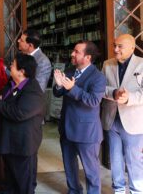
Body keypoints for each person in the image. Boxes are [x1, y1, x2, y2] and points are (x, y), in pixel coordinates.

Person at [0, 53, 45, 194]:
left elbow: (18, 113)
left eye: (13, 65)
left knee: (24, 182)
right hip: (9, 141)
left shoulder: (33, 91)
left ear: (22, 72)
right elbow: (3, 104)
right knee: (10, 177)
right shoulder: (12, 84)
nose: (10, 66)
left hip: (22, 145)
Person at [53, 41, 106, 194]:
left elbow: (93, 101)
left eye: (76, 52)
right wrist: (58, 86)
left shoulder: (98, 77)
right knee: (69, 167)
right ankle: (74, 191)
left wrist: (72, 88)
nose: (72, 54)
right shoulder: (70, 71)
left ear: (88, 57)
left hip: (86, 131)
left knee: (91, 171)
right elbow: (58, 93)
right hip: (66, 128)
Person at [101, 34, 143, 193]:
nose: (115, 49)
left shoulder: (142, 64)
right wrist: (114, 93)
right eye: (114, 45)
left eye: (120, 46)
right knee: (115, 160)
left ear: (132, 48)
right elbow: (101, 88)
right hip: (111, 120)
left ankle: (137, 190)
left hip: (133, 121)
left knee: (134, 160)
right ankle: (118, 189)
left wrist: (128, 98)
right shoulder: (107, 64)